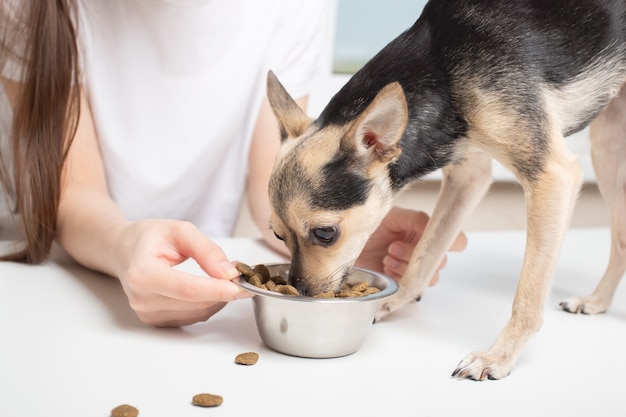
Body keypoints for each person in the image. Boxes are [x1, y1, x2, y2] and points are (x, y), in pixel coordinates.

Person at [0, 0, 467, 327]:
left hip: (208, 289)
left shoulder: (293, 5)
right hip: (52, 282)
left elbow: (277, 175)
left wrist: (336, 238)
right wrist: (124, 246)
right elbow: (75, 193)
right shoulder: (36, 8)